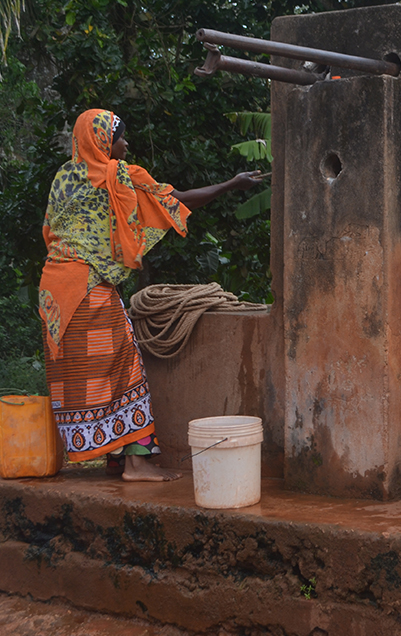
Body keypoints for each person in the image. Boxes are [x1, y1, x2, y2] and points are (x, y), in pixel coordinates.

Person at [38, 109, 262, 482]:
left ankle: (112, 458)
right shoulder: (117, 177)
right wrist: (229, 186)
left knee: (81, 377)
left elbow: (49, 229)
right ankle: (135, 465)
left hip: (54, 295)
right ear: (104, 142)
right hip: (88, 291)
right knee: (126, 371)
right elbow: (176, 199)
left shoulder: (65, 178)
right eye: (121, 138)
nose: (126, 144)